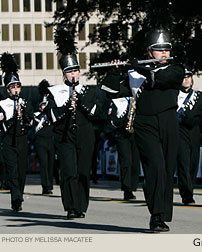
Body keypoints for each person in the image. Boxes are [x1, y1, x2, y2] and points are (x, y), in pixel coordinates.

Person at [101, 28, 185, 232]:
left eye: (167, 49)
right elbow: (110, 91)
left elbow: (163, 79)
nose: (164, 53)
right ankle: (156, 216)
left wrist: (140, 69)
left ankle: (163, 212)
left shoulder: (177, 69)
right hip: (144, 124)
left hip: (169, 121)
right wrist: (114, 72)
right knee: (155, 166)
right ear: (149, 52)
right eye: (159, 50)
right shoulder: (133, 74)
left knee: (166, 169)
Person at [45, 28, 100, 219]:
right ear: (64, 74)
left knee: (83, 172)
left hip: (85, 135)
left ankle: (81, 206)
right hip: (64, 136)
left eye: (76, 70)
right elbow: (52, 116)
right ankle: (70, 206)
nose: (74, 74)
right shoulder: (55, 92)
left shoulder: (87, 91)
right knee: (69, 171)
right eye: (69, 72)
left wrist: (80, 102)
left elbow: (94, 112)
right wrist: (67, 106)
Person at [0, 52, 34, 212]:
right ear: (7, 89)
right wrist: (13, 116)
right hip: (8, 140)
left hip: (22, 139)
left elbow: (31, 123)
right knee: (12, 171)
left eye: (17, 86)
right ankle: (16, 198)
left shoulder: (25, 102)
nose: (15, 89)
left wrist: (24, 115)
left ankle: (18, 194)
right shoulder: (2, 104)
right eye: (12, 87)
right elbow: (3, 126)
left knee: (21, 172)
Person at [176, 69, 202, 205]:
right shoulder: (173, 95)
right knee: (183, 163)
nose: (186, 79)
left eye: (189, 77)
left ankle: (190, 188)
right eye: (183, 77)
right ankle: (187, 194)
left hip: (194, 132)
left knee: (193, 163)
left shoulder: (198, 96)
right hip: (179, 131)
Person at [105, 96, 140, 200]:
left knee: (135, 161)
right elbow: (111, 119)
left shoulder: (137, 97)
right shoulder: (116, 101)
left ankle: (133, 185)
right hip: (122, 134)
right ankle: (127, 189)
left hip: (135, 133)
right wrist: (123, 121)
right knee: (126, 161)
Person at [33, 79, 55, 195]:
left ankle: (50, 185)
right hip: (41, 137)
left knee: (51, 162)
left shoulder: (51, 102)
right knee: (44, 163)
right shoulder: (36, 105)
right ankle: (45, 186)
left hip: (51, 137)